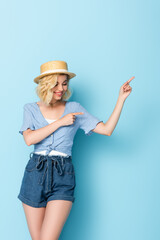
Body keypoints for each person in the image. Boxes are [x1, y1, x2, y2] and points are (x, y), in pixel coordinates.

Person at [17, 60, 134, 240]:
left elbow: (107, 130)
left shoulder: (74, 109)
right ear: (46, 85)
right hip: (35, 172)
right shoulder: (30, 109)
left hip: (63, 174)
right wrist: (61, 122)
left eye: (64, 83)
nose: (61, 88)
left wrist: (121, 99)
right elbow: (29, 139)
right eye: (56, 83)